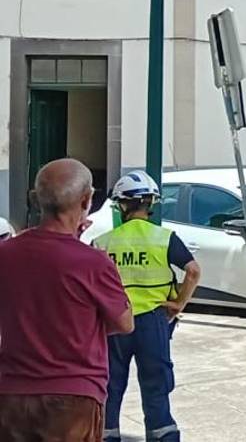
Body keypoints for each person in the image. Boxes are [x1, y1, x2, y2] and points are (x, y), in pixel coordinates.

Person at [0, 159, 134, 442]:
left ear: (36, 200)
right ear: (86, 200)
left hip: (12, 393)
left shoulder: (6, 253)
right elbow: (124, 323)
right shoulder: (94, 263)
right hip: (74, 396)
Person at [93, 172, 200, 442]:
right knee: (156, 387)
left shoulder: (104, 242)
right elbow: (193, 271)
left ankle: (107, 436)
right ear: (150, 203)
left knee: (111, 386)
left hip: (115, 323)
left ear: (121, 206)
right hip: (154, 322)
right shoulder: (165, 237)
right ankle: (162, 436)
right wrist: (178, 303)